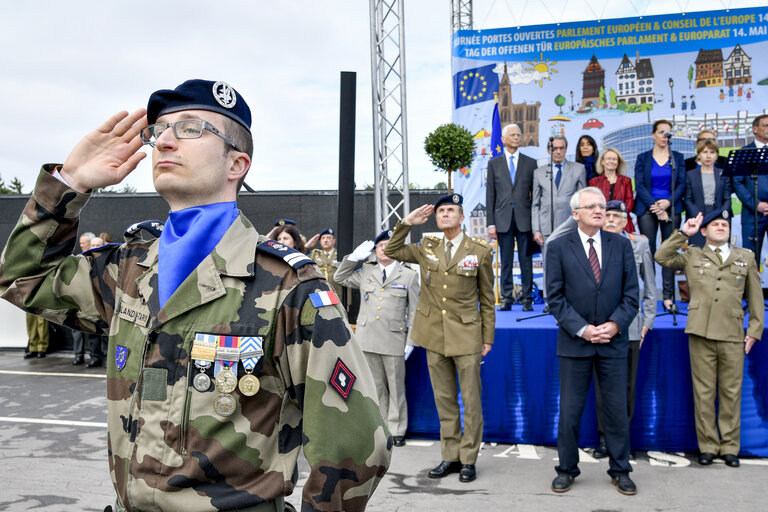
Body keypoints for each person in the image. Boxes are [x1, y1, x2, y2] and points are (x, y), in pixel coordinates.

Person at [0, 79, 390, 512]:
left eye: (190, 128)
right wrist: (69, 183)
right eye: (159, 131)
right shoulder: (127, 269)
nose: (164, 141)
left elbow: (356, 444)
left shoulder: (287, 287)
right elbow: (23, 277)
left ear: (236, 163)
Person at [384, 194, 494, 483]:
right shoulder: (427, 247)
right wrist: (407, 223)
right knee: (444, 400)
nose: (445, 214)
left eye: (451, 210)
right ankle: (450, 456)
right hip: (434, 335)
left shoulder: (479, 250)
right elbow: (393, 250)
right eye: (441, 211)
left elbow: (487, 299)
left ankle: (468, 459)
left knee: (471, 401)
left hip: (467, 335)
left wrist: (487, 338)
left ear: (462, 217)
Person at [546, 187, 639, 495]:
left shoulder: (621, 245)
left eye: (602, 205)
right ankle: (567, 469)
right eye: (592, 206)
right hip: (575, 344)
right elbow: (555, 299)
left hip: (613, 343)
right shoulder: (558, 247)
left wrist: (613, 325)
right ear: (576, 214)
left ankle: (620, 469)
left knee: (615, 410)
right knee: (570, 411)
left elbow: (631, 296)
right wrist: (584, 329)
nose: (600, 210)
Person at [655, 208, 763, 468]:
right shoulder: (692, 254)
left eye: (725, 224)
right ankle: (708, 446)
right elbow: (661, 256)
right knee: (703, 393)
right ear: (703, 231)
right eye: (715, 224)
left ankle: (729, 447)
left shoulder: (745, 257)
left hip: (732, 333)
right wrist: (683, 233)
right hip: (701, 331)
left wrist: (755, 330)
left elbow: (756, 299)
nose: (721, 227)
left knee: (731, 392)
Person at [334, 229, 420, 447]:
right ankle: (381, 426)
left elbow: (416, 311)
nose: (383, 249)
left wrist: (411, 341)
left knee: (396, 387)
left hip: (393, 339)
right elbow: (339, 277)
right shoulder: (367, 272)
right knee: (375, 386)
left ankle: (397, 429)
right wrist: (353, 258)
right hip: (367, 338)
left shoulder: (408, 275)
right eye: (380, 245)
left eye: (388, 245)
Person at [592, 200, 656, 460]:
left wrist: (647, 322)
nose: (610, 220)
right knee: (601, 387)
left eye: (616, 216)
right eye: (606, 215)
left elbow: (650, 286)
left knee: (626, 387)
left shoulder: (639, 244)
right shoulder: (592, 244)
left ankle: (621, 442)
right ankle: (604, 439)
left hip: (629, 327)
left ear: (625, 220)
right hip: (599, 326)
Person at [632, 119, 686, 311]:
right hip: (647, 208)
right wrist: (656, 206)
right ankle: (649, 294)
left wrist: (668, 203)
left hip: (672, 207)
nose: (665, 136)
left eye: (668, 133)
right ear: (653, 135)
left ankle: (668, 297)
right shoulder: (643, 158)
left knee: (668, 251)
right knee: (648, 251)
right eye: (661, 132)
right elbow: (639, 185)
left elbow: (681, 184)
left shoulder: (677, 157)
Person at [486, 123, 537, 311]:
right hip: (502, 219)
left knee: (526, 261)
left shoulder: (531, 163)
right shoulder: (494, 164)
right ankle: (506, 298)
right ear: (503, 139)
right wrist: (490, 223)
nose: (516, 137)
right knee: (505, 261)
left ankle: (527, 299)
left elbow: (536, 194)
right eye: (513, 134)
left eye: (518, 134)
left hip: (525, 219)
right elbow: (490, 195)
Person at [532, 135, 587, 248]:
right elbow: (535, 204)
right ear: (548, 150)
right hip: (546, 229)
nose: (558, 152)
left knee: (570, 264)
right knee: (549, 264)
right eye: (554, 148)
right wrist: (536, 230)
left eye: (561, 148)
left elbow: (583, 202)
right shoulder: (539, 173)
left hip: (571, 227)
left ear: (566, 149)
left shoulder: (578, 169)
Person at [684, 139, 732, 247]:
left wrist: (718, 216)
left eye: (712, 152)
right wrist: (700, 219)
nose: (708, 156)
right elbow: (688, 199)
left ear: (717, 155)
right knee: (698, 251)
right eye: (705, 152)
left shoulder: (723, 175)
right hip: (697, 217)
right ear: (699, 155)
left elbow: (727, 199)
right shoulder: (690, 175)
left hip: (718, 215)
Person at [732, 114, 768, 256]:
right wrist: (756, 204)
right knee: (750, 260)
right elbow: (737, 183)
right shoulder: (744, 153)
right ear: (755, 129)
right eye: (765, 126)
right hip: (751, 215)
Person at [589, 148, 636, 233]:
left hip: (622, 223)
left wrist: (616, 216)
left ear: (618, 163)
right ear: (602, 162)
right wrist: (606, 216)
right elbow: (592, 203)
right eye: (609, 158)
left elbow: (629, 203)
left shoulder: (626, 181)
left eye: (614, 159)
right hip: (600, 223)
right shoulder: (594, 182)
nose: (611, 161)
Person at [72, 231, 97, 365]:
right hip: (78, 298)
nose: (81, 245)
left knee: (92, 329)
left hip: (92, 299)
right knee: (76, 330)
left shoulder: (96, 258)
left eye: (83, 243)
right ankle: (78, 355)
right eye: (80, 243)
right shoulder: (78, 258)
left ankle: (95, 356)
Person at [310, 227, 343, 298]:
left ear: (334, 241)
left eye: (328, 238)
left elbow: (346, 276)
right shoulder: (314, 255)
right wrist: (307, 246)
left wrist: (348, 301)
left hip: (337, 294)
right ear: (320, 241)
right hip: (319, 293)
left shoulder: (341, 255)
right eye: (323, 238)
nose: (325, 240)